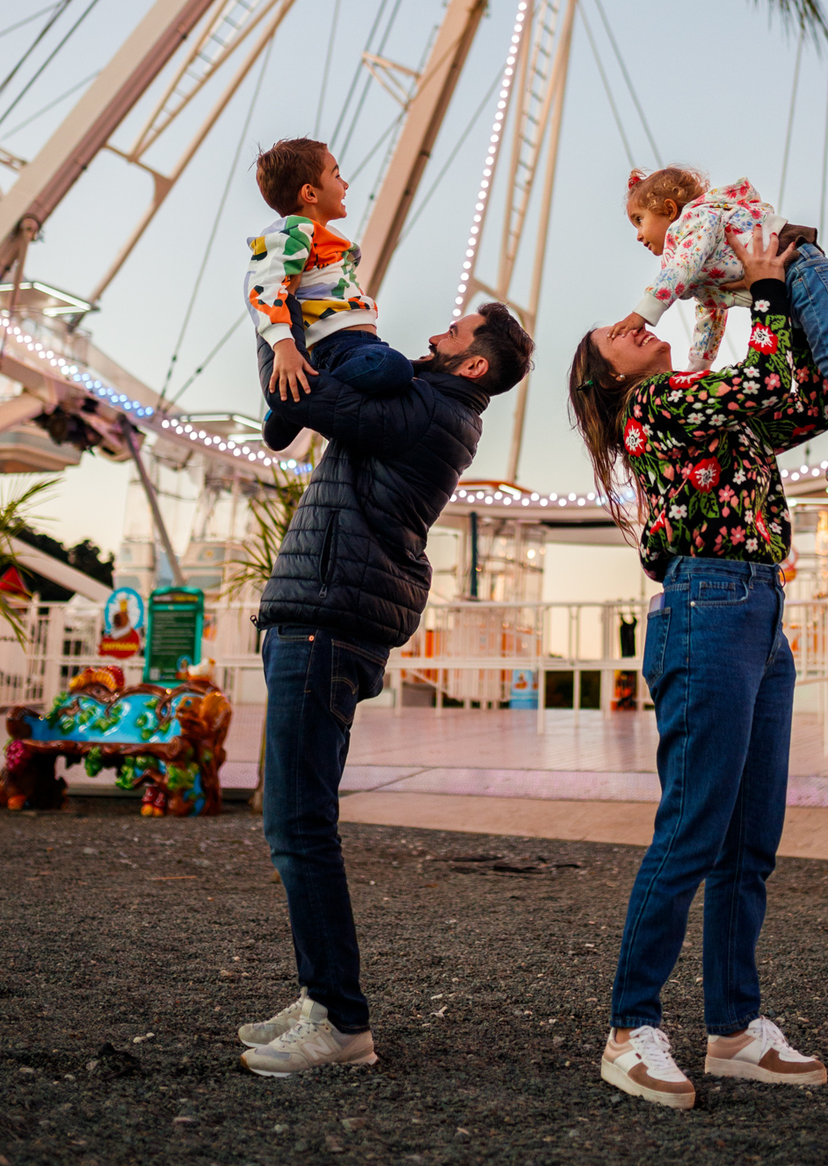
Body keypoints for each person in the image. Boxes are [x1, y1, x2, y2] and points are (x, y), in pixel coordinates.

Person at [569, 226, 828, 1110]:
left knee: (749, 840)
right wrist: (762, 291)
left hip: (760, 609)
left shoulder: (694, 396)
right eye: (616, 332)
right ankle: (629, 1027)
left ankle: (732, 1028)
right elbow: (762, 385)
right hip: (707, 608)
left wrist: (800, 303)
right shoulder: (659, 409)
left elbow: (803, 406)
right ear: (607, 377)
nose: (636, 322)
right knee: (691, 829)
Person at [238, 300, 534, 1078]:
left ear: (474, 364)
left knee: (299, 826)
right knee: (299, 823)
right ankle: (319, 998)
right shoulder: (424, 404)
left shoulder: (429, 410)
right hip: (322, 614)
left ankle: (340, 1021)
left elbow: (293, 393)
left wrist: (275, 313)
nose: (437, 332)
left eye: (456, 331)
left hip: (327, 620)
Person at [610, 165, 828, 491]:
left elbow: (681, 268)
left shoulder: (693, 224)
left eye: (639, 220)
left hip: (801, 272)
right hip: (809, 277)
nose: (637, 234)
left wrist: (643, 314)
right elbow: (710, 312)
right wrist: (697, 366)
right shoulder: (702, 261)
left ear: (669, 210)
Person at [245, 137, 414, 452]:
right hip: (334, 346)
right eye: (336, 176)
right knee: (394, 368)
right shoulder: (295, 233)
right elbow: (265, 286)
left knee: (403, 376)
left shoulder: (327, 238)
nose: (345, 183)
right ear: (309, 193)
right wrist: (284, 347)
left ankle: (294, 407)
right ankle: (293, 403)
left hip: (359, 345)